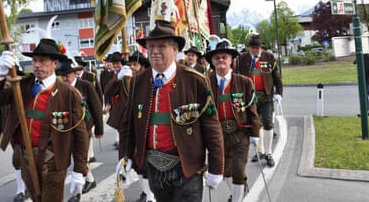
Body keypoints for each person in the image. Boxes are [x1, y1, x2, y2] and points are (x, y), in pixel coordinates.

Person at [118, 20, 224, 202]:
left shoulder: (195, 81)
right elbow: (129, 125)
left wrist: (216, 167)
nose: (154, 51)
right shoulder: (138, 82)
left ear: (175, 50)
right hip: (154, 168)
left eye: (161, 46)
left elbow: (212, 127)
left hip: (188, 167)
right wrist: (125, 157)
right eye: (151, 46)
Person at [0, 38, 89, 202]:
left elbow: (80, 135)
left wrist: (79, 169)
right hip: (26, 158)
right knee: (36, 199)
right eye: (34, 60)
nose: (37, 65)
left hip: (53, 160)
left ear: (55, 63)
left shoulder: (68, 93)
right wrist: (1, 74)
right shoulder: (21, 86)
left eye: (42, 61)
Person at [205, 40, 260, 202]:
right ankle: (238, 192)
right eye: (217, 57)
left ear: (231, 60)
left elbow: (253, 111)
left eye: (224, 57)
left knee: (238, 170)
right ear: (212, 62)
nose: (221, 60)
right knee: (227, 171)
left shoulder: (244, 82)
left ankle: (238, 199)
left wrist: (255, 134)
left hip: (239, 134)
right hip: (217, 136)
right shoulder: (205, 83)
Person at [107, 51, 155, 202]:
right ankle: (145, 191)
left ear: (143, 66)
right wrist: (118, 78)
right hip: (127, 126)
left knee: (146, 164)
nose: (132, 67)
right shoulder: (126, 79)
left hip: (145, 127)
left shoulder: (151, 80)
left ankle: (150, 195)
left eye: (135, 64)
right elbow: (107, 92)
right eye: (130, 64)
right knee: (134, 164)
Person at [56, 58, 104, 196]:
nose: (65, 78)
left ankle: (78, 191)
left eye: (67, 75)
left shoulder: (86, 85)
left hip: (85, 127)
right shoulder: (59, 88)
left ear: (74, 74)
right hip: (67, 128)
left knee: (81, 157)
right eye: (63, 75)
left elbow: (96, 108)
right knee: (78, 157)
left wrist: (99, 129)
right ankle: (90, 179)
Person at [236, 35, 283, 167]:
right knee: (256, 124)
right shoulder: (242, 59)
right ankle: (260, 151)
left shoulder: (269, 57)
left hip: (266, 96)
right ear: (249, 48)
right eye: (253, 48)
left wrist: (279, 93)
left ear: (261, 47)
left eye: (258, 48)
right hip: (250, 98)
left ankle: (268, 153)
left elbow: (276, 77)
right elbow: (237, 78)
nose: (256, 51)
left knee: (268, 123)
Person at [0, 66, 28, 202]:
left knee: (20, 159)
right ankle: (22, 189)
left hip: (26, 133)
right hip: (12, 135)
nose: (6, 80)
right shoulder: (4, 94)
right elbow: (0, 116)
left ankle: (23, 189)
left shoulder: (24, 93)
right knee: (18, 161)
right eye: (5, 77)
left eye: (9, 77)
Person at [355, 53, 369, 117]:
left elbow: (364, 67)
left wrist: (361, 77)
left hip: (366, 78)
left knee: (364, 95)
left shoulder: (365, 55)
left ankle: (364, 112)